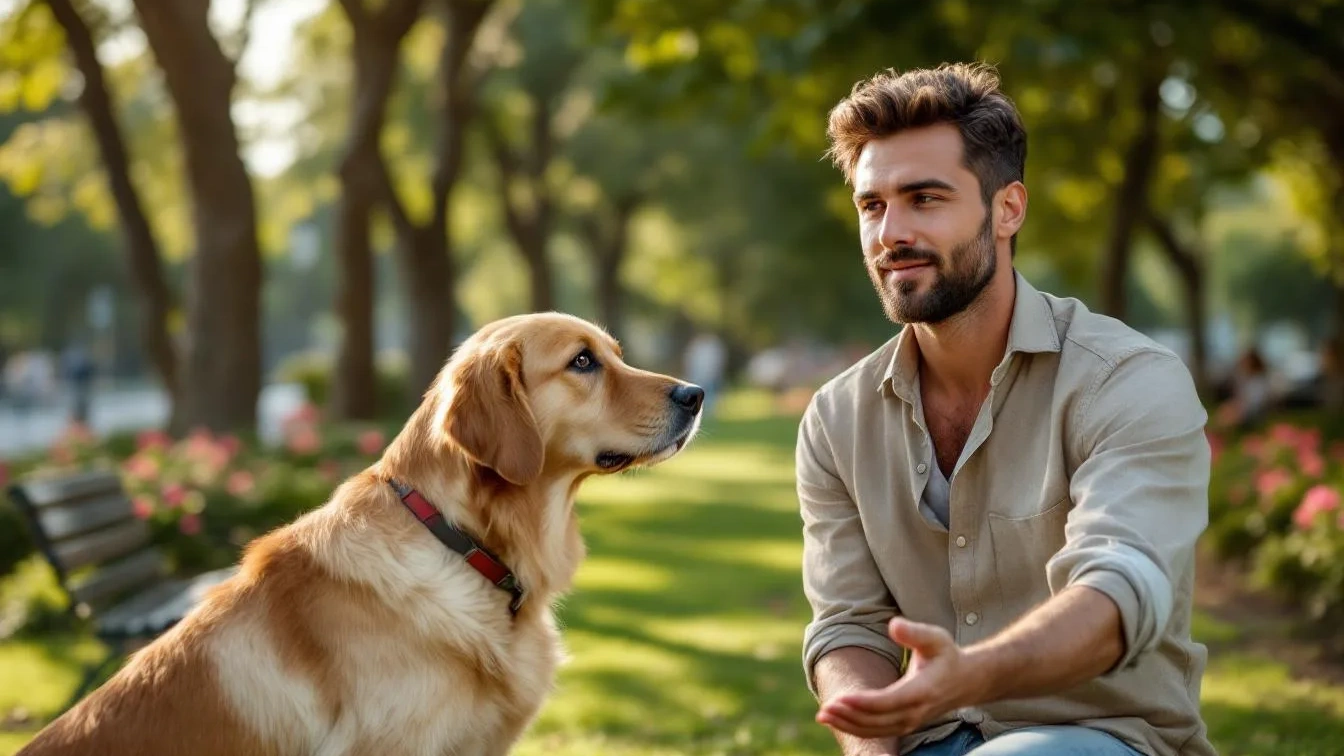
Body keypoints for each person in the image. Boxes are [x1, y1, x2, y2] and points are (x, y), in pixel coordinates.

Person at [796, 63, 1213, 756]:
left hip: (1103, 738)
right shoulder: (837, 418)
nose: (890, 232)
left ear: (1007, 209)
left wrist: (962, 678)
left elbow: (1118, 596)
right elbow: (848, 625)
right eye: (872, 205)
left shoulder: (1129, 382)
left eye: (925, 198)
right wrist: (872, 740)